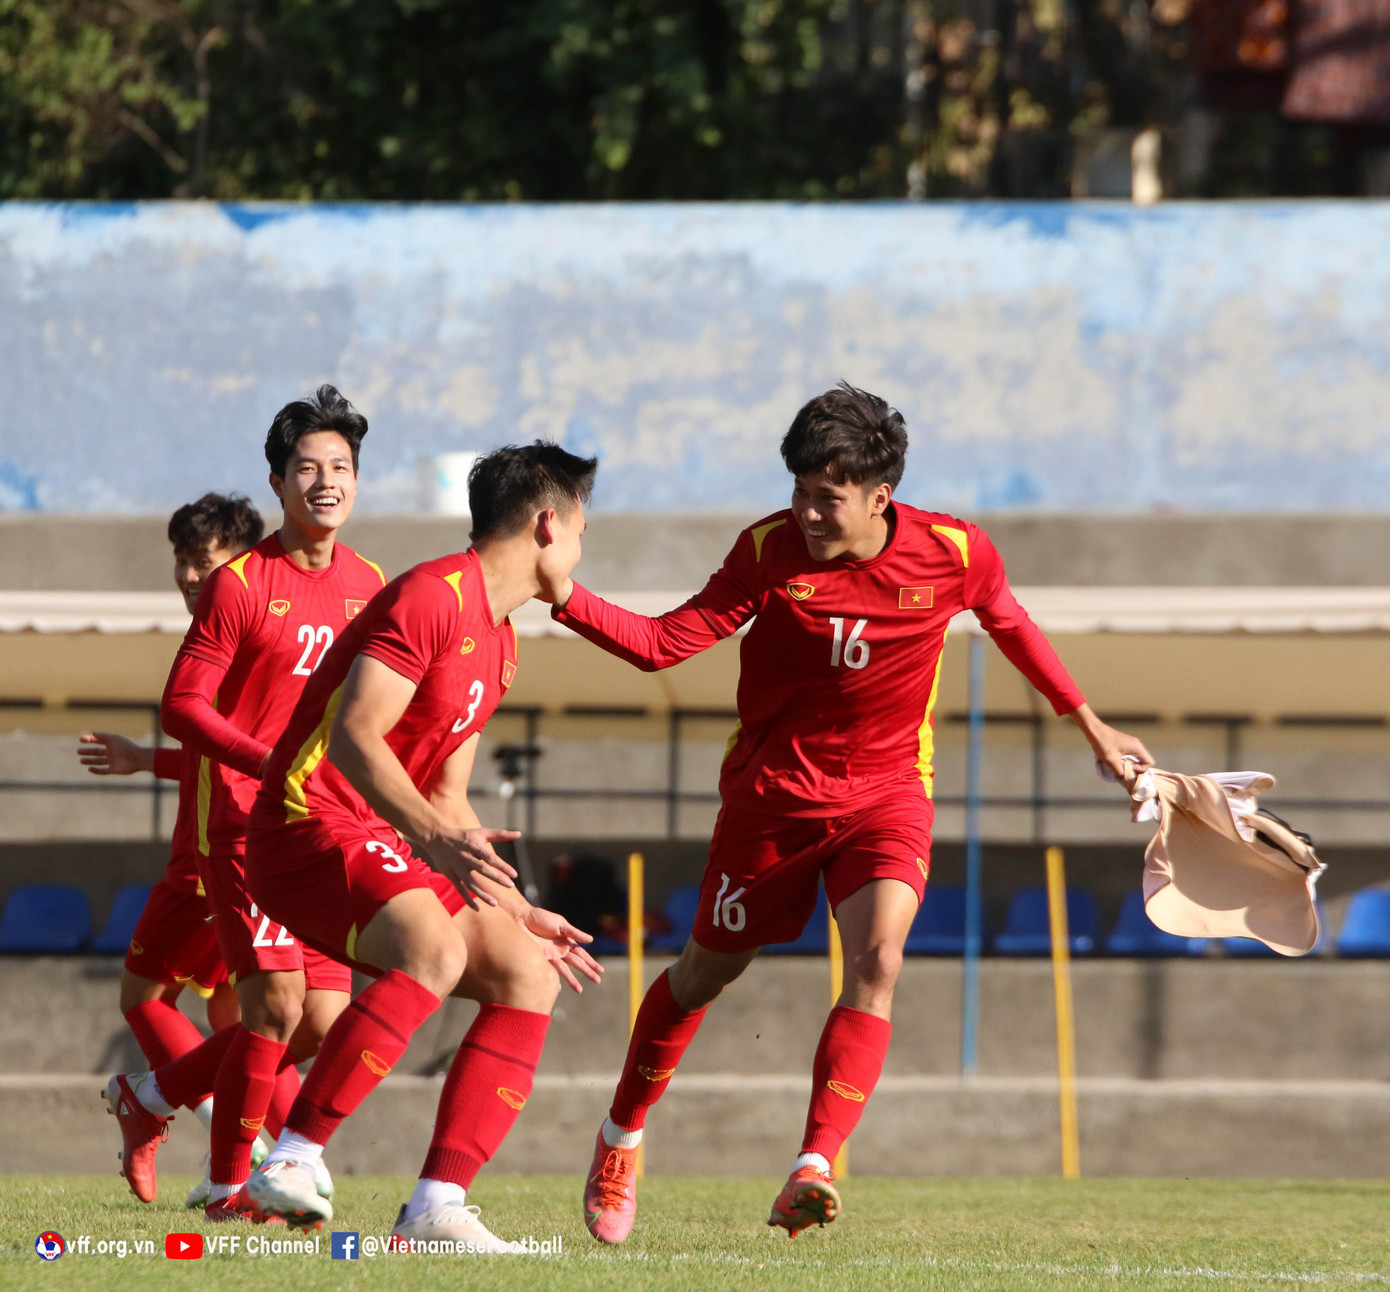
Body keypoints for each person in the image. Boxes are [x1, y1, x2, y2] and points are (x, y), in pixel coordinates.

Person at [549, 382, 1155, 1241]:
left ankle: (815, 1164)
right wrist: (561, 593)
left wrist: (1089, 723)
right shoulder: (766, 549)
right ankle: (622, 1133)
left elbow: (1008, 619)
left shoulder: (954, 551)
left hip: (888, 793)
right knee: (703, 975)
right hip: (771, 799)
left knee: (879, 959)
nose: (804, 510)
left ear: (880, 497)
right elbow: (663, 646)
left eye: (824, 497)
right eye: (798, 489)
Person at [240, 441, 602, 1248]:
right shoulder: (431, 596)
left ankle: (435, 1205)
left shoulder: (503, 639)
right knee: (432, 948)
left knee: (525, 973)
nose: (581, 549)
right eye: (582, 530)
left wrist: (518, 906)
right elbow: (354, 740)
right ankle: (294, 1157)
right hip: (305, 822)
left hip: (385, 836)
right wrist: (437, 842)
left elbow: (445, 794)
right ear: (550, 525)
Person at [103, 387, 386, 1221]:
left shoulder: (371, 585)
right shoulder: (240, 586)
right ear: (277, 481)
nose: (325, 482)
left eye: (340, 468)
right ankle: (233, 1184)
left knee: (327, 1022)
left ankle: (152, 1097)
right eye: (308, 468)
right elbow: (182, 706)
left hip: (329, 828)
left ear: (357, 483)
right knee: (270, 1005)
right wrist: (270, 763)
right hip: (244, 829)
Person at [81, 492, 262, 1207]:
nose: (191, 576)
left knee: (144, 995)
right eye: (182, 562)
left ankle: (203, 1131)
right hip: (245, 849)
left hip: (214, 857)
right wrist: (145, 761)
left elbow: (241, 754)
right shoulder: (247, 630)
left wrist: (148, 759)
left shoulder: (238, 639)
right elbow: (222, 752)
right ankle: (289, 1160)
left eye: (205, 561)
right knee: (240, 1020)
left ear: (242, 565)